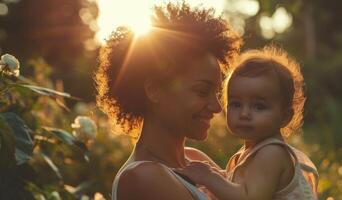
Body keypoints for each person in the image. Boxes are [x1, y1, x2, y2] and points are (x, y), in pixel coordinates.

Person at [94, 2, 241, 200]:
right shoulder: (143, 177)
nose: (216, 107)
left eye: (216, 92)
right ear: (154, 90)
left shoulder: (195, 160)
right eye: (202, 91)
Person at [179, 46, 319, 200]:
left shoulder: (272, 153)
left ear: (284, 116)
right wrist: (221, 176)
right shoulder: (252, 152)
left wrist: (210, 177)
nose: (244, 114)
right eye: (236, 104)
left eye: (259, 106)